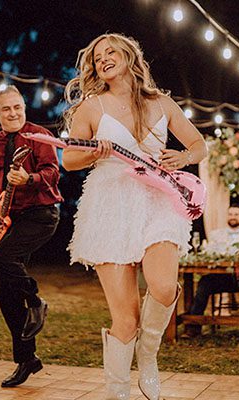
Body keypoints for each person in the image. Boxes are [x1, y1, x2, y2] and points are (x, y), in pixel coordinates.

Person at [62, 33, 207, 400]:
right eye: (97, 58)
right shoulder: (91, 107)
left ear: (129, 57)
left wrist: (184, 157)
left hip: (158, 199)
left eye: (111, 52)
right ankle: (118, 393)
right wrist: (95, 152)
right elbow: (69, 159)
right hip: (110, 204)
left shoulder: (161, 102)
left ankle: (149, 356)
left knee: (162, 286)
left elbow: (199, 145)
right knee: (126, 320)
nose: (104, 59)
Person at [0, 85, 62, 387]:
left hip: (41, 214)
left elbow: (53, 172)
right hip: (10, 219)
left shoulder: (39, 136)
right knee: (6, 294)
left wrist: (30, 178)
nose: (13, 113)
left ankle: (36, 300)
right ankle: (26, 359)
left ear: (24, 107)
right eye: (6, 109)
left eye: (17, 107)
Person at [182, 203, 239, 338]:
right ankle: (193, 327)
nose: (233, 217)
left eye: (236, 214)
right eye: (230, 214)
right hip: (220, 277)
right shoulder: (216, 234)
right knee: (204, 283)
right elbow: (210, 251)